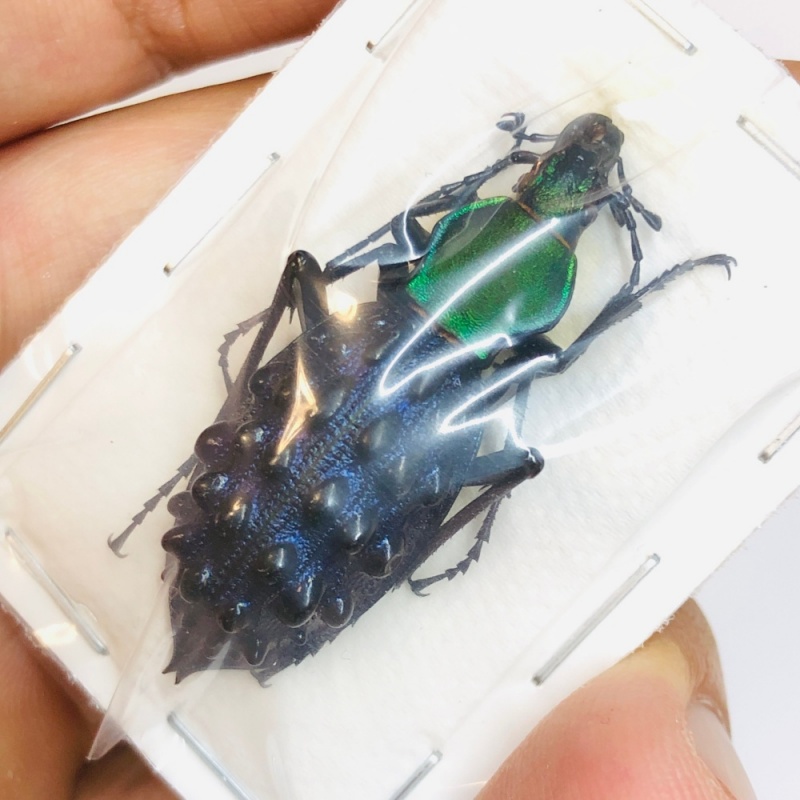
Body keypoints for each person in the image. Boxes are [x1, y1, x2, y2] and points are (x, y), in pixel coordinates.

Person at [3, 2, 790, 797]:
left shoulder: (400, 291)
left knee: (312, 288)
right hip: (294, 559)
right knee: (514, 456)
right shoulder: (496, 358)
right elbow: (542, 370)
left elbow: (333, 275)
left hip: (253, 529)